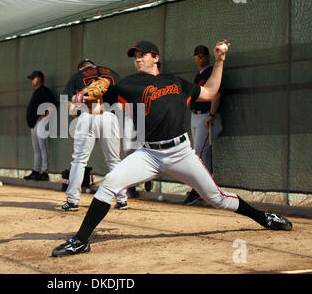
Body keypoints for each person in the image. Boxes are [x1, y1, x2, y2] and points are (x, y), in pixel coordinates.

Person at [52, 40, 292, 257]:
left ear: (156, 58)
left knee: (217, 198)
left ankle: (264, 218)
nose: (138, 58)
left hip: (181, 153)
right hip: (149, 154)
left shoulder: (176, 82)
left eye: (143, 54)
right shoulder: (127, 85)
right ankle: (81, 240)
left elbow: (209, 92)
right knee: (109, 184)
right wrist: (82, 99)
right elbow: (91, 102)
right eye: (135, 56)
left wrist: (219, 61)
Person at [61, 59, 128, 211]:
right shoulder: (111, 73)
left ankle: (72, 201)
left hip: (87, 115)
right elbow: (121, 102)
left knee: (79, 160)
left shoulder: (77, 76)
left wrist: (79, 114)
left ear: (81, 69)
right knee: (114, 161)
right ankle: (122, 199)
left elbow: (68, 104)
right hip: (109, 116)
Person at [184, 45, 223, 206]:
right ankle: (206, 190)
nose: (199, 58)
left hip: (207, 117)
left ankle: (199, 190)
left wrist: (212, 114)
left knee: (198, 154)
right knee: (203, 154)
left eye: (202, 55)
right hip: (196, 116)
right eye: (197, 56)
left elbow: (217, 93)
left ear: (207, 56)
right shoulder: (199, 75)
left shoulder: (210, 72)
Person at [24, 71, 58, 181]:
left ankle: (44, 172)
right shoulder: (38, 91)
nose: (31, 81)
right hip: (34, 123)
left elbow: (52, 104)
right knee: (37, 149)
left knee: (43, 148)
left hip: (40, 123)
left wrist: (46, 117)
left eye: (33, 78)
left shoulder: (44, 91)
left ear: (38, 79)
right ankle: (36, 170)